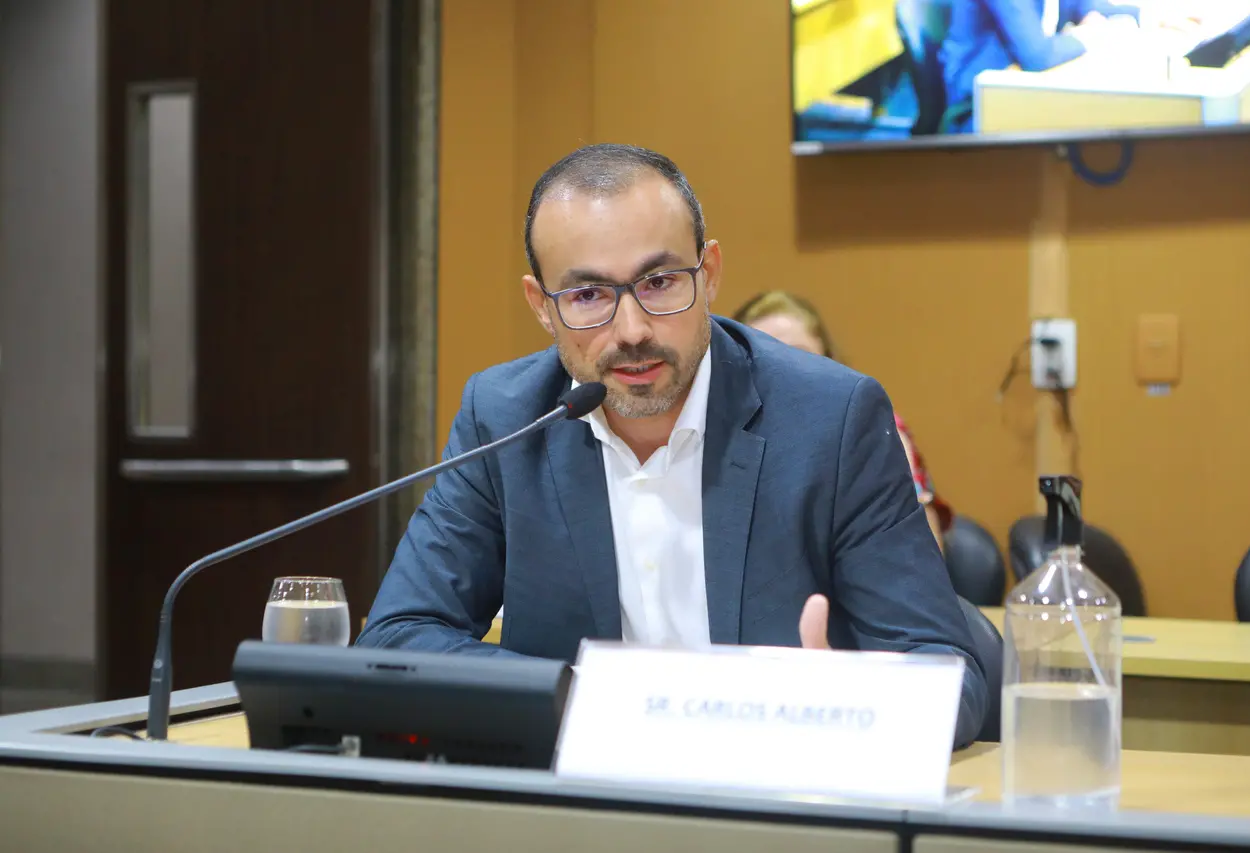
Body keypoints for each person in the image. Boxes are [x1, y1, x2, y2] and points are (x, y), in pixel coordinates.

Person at [357, 143, 987, 748]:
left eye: (659, 282)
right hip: (577, 800)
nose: (632, 330)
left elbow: (949, 675)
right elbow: (397, 639)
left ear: (708, 275)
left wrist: (837, 702)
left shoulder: (831, 419)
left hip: (769, 792)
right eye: (587, 295)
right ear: (541, 306)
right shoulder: (505, 419)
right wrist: (588, 700)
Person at [732, 291, 953, 550]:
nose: (784, 374)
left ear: (828, 360)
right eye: (765, 359)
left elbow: (920, 553)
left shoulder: (872, 426)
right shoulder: (716, 438)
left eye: (798, 356)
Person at [941, 0, 1144, 133]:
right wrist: (1088, 35)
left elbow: (1085, 7)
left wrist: (1144, 15)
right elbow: (1037, 55)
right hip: (977, 108)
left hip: (1023, 92)